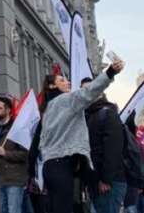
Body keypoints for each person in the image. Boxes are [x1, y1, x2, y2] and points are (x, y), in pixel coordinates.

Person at [36, 58, 125, 213]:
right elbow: (89, 91)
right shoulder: (66, 101)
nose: (68, 82)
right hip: (61, 166)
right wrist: (110, 72)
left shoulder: (47, 109)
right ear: (52, 86)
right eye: (62, 80)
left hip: (49, 167)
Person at [82, 80, 127, 213]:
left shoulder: (107, 113)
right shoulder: (89, 116)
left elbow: (113, 150)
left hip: (109, 183)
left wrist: (106, 180)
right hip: (96, 182)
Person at [0, 96, 29, 213]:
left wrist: (6, 153)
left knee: (14, 210)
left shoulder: (18, 128)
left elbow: (25, 154)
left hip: (14, 179)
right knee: (1, 210)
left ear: (8, 110)